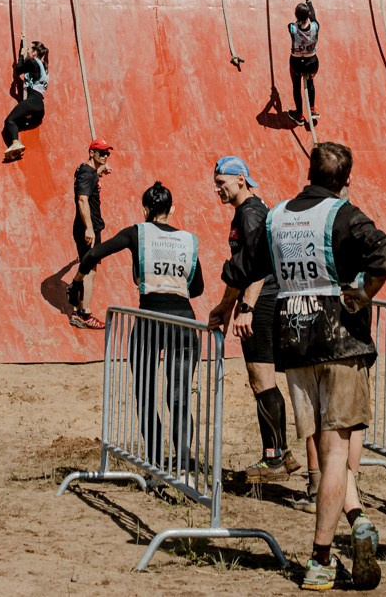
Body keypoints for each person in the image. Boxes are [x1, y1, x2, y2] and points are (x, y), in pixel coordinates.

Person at [229, 141, 386, 593]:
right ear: (345, 179)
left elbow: (241, 267)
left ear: (308, 171)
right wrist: (364, 292)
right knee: (336, 457)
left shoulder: (278, 216)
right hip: (341, 343)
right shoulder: (343, 214)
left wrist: (224, 308)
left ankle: (358, 518)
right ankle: (322, 558)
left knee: (325, 456)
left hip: (295, 347)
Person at [74, 182, 205, 476]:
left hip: (148, 322)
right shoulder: (188, 240)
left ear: (145, 209)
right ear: (172, 209)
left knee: (145, 394)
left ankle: (156, 463)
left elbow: (95, 254)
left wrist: (78, 279)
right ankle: (183, 466)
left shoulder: (137, 232)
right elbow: (197, 288)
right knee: (179, 397)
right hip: (184, 323)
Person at [205, 156, 291, 481]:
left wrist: (245, 308)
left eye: (221, 183)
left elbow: (256, 263)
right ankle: (283, 453)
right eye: (216, 185)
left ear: (241, 179)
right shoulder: (249, 211)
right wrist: (227, 306)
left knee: (261, 379)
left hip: (264, 302)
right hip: (262, 300)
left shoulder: (251, 212)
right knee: (262, 379)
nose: (218, 190)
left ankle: (274, 458)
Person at [67, 141, 112, 328]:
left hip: (90, 226)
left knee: (88, 266)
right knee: (91, 271)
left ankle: (76, 293)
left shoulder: (87, 170)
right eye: (101, 153)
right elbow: (82, 200)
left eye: (107, 153)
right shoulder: (87, 174)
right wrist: (89, 228)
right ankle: (83, 314)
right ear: (91, 153)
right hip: (89, 227)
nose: (105, 156)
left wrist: (99, 171)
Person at [1, 40, 49, 162]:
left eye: (29, 50)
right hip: (40, 108)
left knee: (9, 121)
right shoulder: (43, 66)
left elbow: (18, 70)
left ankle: (15, 142)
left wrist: (21, 55)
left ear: (34, 53)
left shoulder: (32, 62)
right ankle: (15, 148)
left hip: (32, 102)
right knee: (16, 124)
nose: (27, 51)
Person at [287, 0, 320, 130]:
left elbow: (296, 25)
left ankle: (299, 115)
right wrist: (309, 4)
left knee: (296, 86)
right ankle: (312, 110)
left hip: (296, 62)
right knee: (310, 82)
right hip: (312, 62)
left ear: (296, 15)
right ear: (308, 16)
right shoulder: (316, 26)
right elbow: (314, 17)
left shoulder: (292, 27)